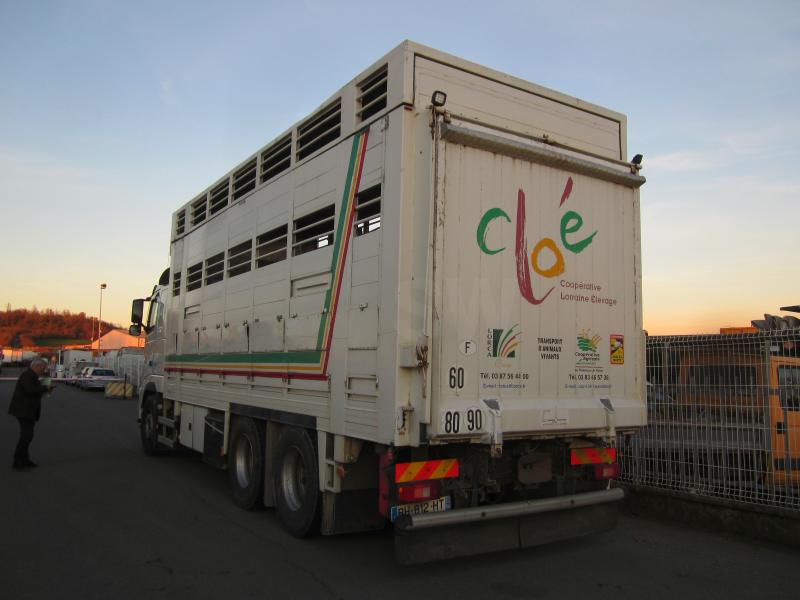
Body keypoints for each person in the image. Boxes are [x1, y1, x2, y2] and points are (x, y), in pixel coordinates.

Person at [8, 357, 53, 470]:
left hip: (27, 410)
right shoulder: (28, 375)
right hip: (23, 410)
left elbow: (33, 390)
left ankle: (24, 459)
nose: (44, 371)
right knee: (26, 436)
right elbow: (30, 390)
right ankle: (18, 460)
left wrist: (45, 389)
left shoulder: (32, 376)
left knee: (27, 436)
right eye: (43, 368)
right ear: (36, 366)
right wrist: (45, 388)